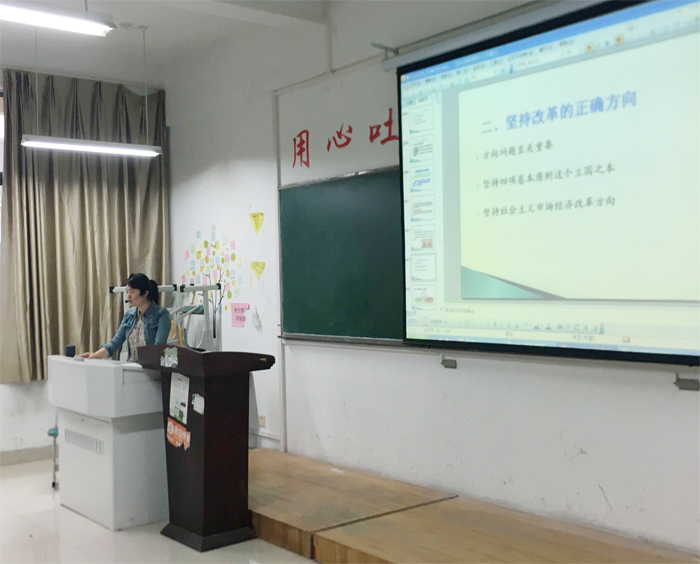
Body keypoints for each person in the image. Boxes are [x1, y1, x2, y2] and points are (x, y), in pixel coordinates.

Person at [79, 273, 171, 362]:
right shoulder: (129, 315)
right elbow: (114, 343)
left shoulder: (162, 314)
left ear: (145, 293)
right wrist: (94, 355)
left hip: (151, 368)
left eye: (132, 292)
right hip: (130, 366)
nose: (128, 296)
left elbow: (159, 347)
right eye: (127, 291)